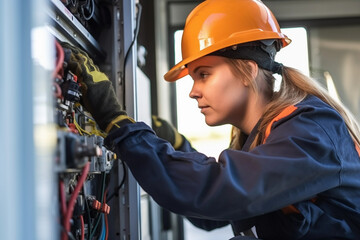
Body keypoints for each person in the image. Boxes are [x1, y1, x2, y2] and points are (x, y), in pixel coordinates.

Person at [61, 0, 360, 238]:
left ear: (248, 70)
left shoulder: (311, 131)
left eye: (204, 74)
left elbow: (215, 191)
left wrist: (118, 123)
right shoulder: (264, 139)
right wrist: (178, 146)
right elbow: (214, 212)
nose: (193, 92)